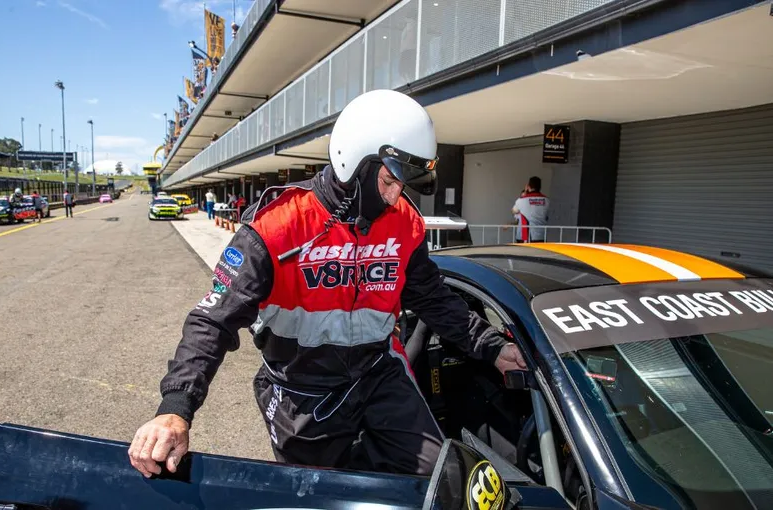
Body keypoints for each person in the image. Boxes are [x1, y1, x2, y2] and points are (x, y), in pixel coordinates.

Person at [128, 89, 527, 479]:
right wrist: (175, 408)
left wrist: (492, 348)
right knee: (321, 495)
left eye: (402, 185)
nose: (396, 197)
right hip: (302, 393)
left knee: (440, 480)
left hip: (378, 375)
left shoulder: (405, 222)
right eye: (389, 181)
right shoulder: (276, 225)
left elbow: (433, 297)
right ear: (355, 162)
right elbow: (212, 320)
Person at [512, 177, 549, 243]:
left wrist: (525, 193)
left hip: (528, 237)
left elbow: (514, 211)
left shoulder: (522, 200)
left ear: (528, 186)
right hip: (542, 236)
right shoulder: (547, 200)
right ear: (540, 187)